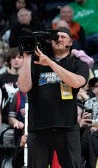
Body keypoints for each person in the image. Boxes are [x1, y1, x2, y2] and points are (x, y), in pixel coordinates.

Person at [17, 27, 89, 167]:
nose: (59, 39)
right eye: (56, 37)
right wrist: (26, 57)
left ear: (70, 42)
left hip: (67, 127)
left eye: (63, 36)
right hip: (38, 127)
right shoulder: (36, 63)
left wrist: (50, 63)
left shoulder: (77, 64)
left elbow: (77, 82)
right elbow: (24, 87)